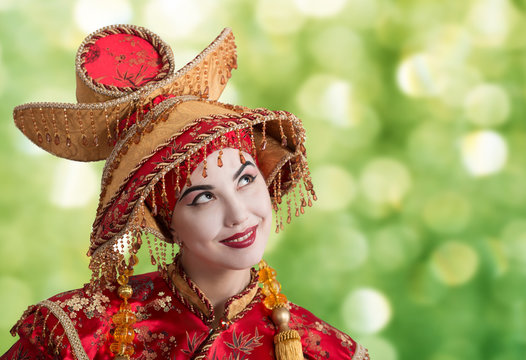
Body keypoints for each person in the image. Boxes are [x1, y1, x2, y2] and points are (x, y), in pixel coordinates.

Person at [1, 25, 370, 360]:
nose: (239, 214)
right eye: (203, 197)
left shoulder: (325, 350)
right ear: (165, 222)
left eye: (245, 180)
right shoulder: (77, 334)